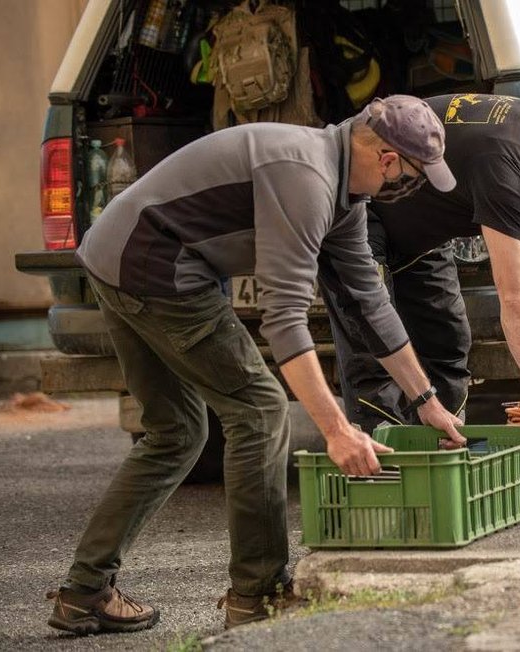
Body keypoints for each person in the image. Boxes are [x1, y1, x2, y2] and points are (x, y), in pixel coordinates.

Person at [46, 95, 465, 635]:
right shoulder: (306, 177)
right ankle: (258, 592)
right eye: (411, 172)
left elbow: (371, 303)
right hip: (153, 265)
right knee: (261, 410)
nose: (406, 184)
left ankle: (83, 593)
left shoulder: (342, 194)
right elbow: (284, 317)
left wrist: (425, 401)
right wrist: (336, 430)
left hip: (118, 256)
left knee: (175, 434)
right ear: (386, 158)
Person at [326, 93, 520, 431]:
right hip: (359, 205)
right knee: (373, 347)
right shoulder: (505, 159)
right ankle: (383, 465)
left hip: (420, 228)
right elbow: (515, 295)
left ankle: (445, 449)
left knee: (448, 339)